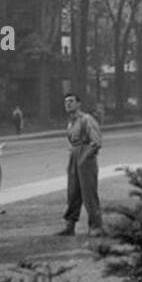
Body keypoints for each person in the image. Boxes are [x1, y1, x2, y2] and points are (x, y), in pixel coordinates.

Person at [57, 93, 103, 236]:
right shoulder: (71, 122)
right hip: (74, 156)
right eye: (66, 102)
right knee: (73, 192)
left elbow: (96, 142)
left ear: (78, 104)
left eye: (71, 101)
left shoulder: (86, 119)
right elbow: (72, 141)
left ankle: (96, 226)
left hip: (86, 155)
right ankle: (70, 225)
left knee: (88, 193)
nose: (68, 104)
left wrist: (85, 157)